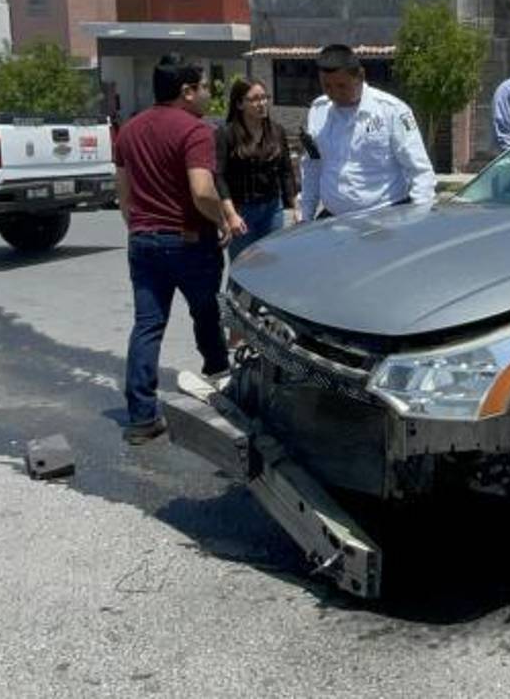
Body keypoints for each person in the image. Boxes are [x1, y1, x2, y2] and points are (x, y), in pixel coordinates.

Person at [113, 55, 231, 445]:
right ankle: (223, 388)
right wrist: (222, 220)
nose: (208, 94)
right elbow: (202, 190)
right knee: (207, 315)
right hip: (189, 242)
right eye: (204, 87)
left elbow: (123, 193)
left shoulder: (129, 130)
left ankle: (141, 418)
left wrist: (138, 228)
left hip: (143, 240)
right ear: (187, 91)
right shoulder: (195, 130)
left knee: (147, 326)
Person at [299, 44, 435, 220]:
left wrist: (418, 219)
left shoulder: (392, 110)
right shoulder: (319, 111)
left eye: (342, 86)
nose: (334, 93)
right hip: (335, 219)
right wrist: (306, 214)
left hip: (385, 219)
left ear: (360, 76)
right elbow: (312, 165)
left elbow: (420, 171)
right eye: (327, 86)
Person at [216, 78, 298, 259]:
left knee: (272, 262)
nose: (261, 103)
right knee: (244, 263)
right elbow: (219, 176)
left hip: (272, 209)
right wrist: (230, 215)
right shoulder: (226, 134)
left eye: (264, 97)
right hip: (242, 211)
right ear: (239, 104)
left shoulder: (276, 131)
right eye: (254, 99)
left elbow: (286, 171)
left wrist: (295, 208)